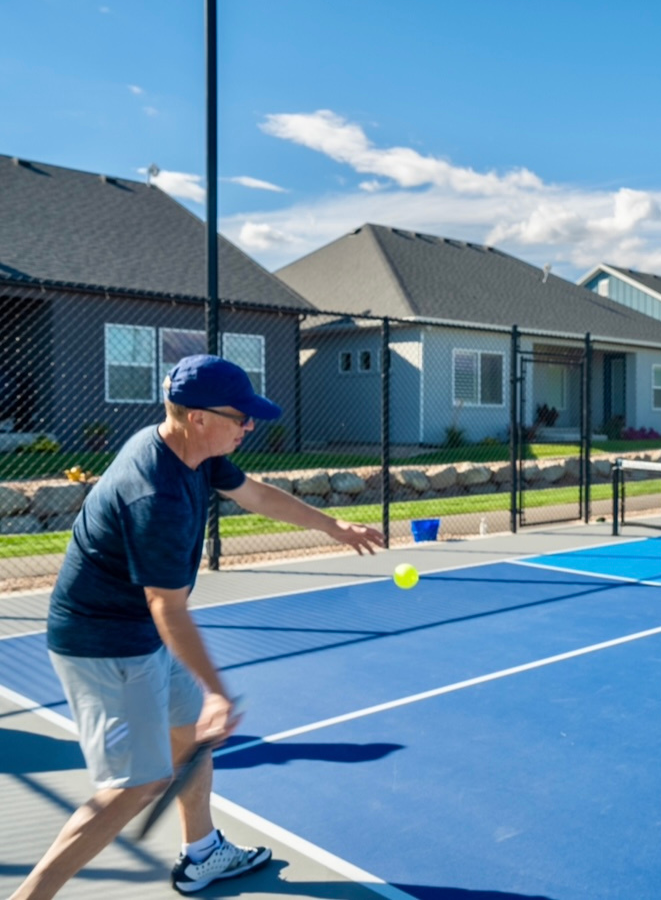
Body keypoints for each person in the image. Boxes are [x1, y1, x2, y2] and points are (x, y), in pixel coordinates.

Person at [10, 355, 383, 900]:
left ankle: (202, 853)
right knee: (137, 785)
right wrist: (216, 690)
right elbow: (168, 608)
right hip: (104, 644)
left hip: (138, 631)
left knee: (189, 737)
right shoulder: (155, 492)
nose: (250, 426)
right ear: (199, 418)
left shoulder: (194, 451)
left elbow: (255, 494)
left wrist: (332, 525)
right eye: (242, 417)